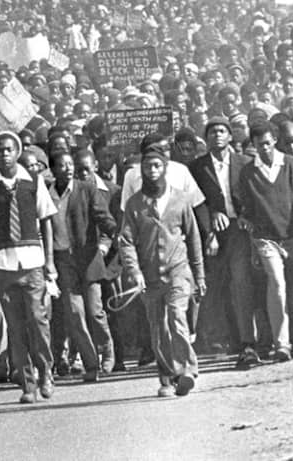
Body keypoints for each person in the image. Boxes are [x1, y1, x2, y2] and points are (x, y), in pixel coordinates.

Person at [119, 142, 205, 398]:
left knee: (178, 317)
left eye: (157, 166)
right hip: (149, 277)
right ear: (141, 171)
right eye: (147, 167)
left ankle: (188, 371)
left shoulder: (180, 199)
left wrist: (199, 275)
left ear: (165, 168)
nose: (152, 171)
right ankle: (168, 378)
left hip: (178, 270)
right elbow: (126, 241)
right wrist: (135, 273)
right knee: (158, 328)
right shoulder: (135, 204)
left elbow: (194, 238)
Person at [0, 131, 57, 404]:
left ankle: (47, 371)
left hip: (32, 261)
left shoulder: (33, 182)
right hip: (4, 263)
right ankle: (28, 382)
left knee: (37, 319)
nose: (4, 154)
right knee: (15, 327)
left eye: (9, 149)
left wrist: (49, 262)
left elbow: (46, 220)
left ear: (17, 151)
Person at [237, 122, 293, 363]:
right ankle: (282, 344)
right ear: (252, 145)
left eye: (267, 143)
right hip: (266, 238)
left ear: (275, 140)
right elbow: (248, 212)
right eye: (258, 144)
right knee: (278, 285)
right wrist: (249, 233)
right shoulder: (248, 173)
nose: (263, 149)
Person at [188, 117, 255, 367]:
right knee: (216, 286)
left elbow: (253, 195)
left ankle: (247, 342)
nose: (217, 135)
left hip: (239, 230)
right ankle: (221, 340)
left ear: (230, 136)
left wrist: (247, 216)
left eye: (222, 131)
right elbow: (197, 203)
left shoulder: (245, 162)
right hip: (214, 233)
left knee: (241, 282)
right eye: (212, 132)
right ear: (206, 139)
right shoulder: (197, 167)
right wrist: (210, 229)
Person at [47, 151, 118, 381]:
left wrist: (115, 232)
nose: (67, 168)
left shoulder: (86, 189)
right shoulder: (46, 193)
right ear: (53, 169)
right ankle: (91, 364)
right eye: (61, 165)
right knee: (75, 314)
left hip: (86, 258)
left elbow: (102, 216)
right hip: (62, 260)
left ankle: (107, 350)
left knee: (95, 311)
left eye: (70, 164)